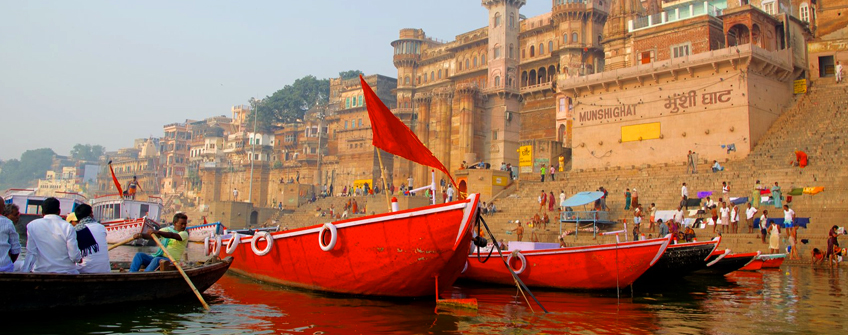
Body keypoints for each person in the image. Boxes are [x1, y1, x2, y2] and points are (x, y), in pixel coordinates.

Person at [20, 198, 81, 274]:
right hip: (66, 272)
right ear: (59, 211)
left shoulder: (32, 226)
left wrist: (25, 272)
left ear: (42, 212)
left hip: (41, 272)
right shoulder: (68, 227)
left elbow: (31, 252)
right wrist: (79, 258)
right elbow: (74, 256)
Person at [73, 204, 109, 273]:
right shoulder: (101, 227)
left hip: (86, 270)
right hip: (105, 270)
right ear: (91, 214)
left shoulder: (75, 230)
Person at [0, 197, 21, 272]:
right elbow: (16, 250)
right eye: (15, 215)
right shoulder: (8, 223)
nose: (18, 217)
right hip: (4, 268)